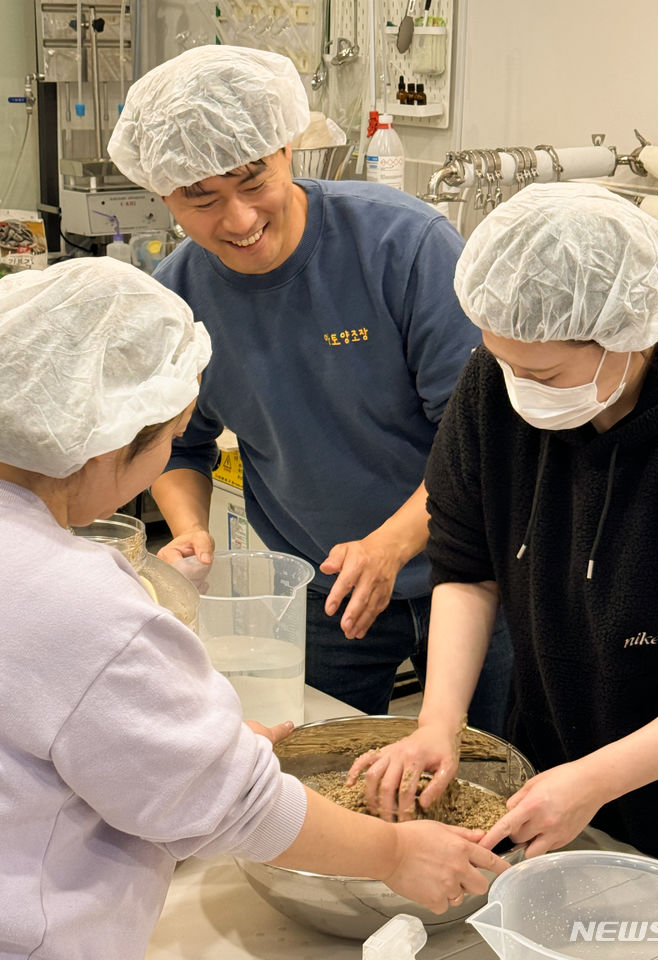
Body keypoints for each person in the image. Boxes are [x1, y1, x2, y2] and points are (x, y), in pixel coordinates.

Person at [0, 257, 508, 960]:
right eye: (172, 439)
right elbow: (227, 804)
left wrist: (191, 737)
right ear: (109, 443)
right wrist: (395, 852)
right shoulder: (79, 602)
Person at [106, 44, 513, 730]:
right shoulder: (177, 297)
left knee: (490, 770)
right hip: (325, 589)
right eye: (200, 199)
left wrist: (390, 543)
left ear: (287, 147)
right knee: (335, 773)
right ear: (162, 194)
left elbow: (479, 438)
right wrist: (190, 529)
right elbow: (180, 446)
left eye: (251, 180)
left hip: (472, 570)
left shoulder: (401, 246)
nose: (237, 220)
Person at [346, 182, 658, 885]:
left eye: (542, 373)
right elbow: (466, 559)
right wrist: (440, 722)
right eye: (502, 363)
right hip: (561, 753)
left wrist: (595, 779)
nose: (517, 389)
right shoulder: (499, 378)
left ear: (634, 336)